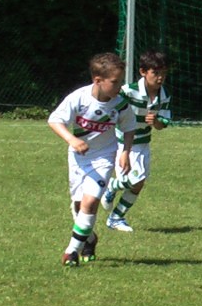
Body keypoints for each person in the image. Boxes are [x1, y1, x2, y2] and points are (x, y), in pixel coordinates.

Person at [48, 53, 136, 266]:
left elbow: (129, 127)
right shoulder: (79, 98)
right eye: (115, 82)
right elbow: (55, 120)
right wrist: (72, 140)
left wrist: (125, 152)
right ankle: (90, 239)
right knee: (79, 207)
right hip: (78, 158)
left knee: (91, 201)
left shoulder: (120, 104)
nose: (119, 86)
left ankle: (71, 252)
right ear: (98, 80)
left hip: (104, 158)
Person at [100, 51, 172, 232]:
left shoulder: (164, 95)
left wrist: (156, 121)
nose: (160, 77)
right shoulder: (128, 91)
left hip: (143, 143)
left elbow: (163, 123)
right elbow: (112, 108)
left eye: (163, 73)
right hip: (124, 142)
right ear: (143, 72)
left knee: (138, 184)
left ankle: (116, 217)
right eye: (155, 73)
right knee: (135, 179)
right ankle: (111, 187)